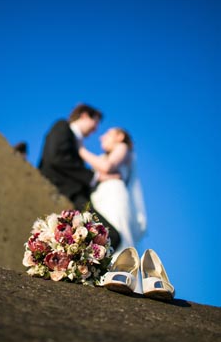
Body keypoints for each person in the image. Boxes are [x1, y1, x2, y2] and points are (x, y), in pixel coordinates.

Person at [38, 104, 122, 250]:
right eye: (95, 122)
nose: (96, 129)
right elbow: (57, 158)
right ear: (84, 116)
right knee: (111, 236)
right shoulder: (62, 126)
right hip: (68, 194)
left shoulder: (76, 143)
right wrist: (95, 177)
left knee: (107, 237)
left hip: (76, 197)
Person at [78, 127, 147, 260]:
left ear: (120, 137)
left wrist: (81, 150)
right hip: (98, 197)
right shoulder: (102, 157)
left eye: (108, 134)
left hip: (114, 197)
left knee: (117, 231)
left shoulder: (122, 147)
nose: (101, 137)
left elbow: (107, 167)